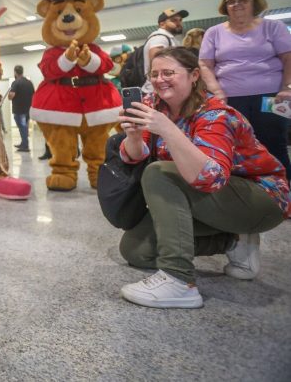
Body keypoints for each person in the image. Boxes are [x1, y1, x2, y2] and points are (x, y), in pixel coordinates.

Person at [117, 47, 289, 309]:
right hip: (210, 197)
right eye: (154, 74)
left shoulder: (216, 114)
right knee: (135, 250)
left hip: (260, 198)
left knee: (159, 172)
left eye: (169, 73)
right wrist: (134, 136)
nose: (159, 79)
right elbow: (133, 157)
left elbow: (212, 178)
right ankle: (235, 241)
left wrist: (167, 128)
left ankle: (179, 281)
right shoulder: (155, 105)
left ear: (194, 75)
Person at [199, 0, 291, 179]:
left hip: (273, 96)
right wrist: (216, 91)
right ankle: (250, 198)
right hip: (230, 98)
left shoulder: (273, 27)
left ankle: (285, 193)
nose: (236, 4)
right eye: (231, 1)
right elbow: (204, 64)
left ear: (254, 2)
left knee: (275, 143)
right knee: (239, 147)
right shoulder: (214, 32)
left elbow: (288, 57)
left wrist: (287, 87)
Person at [140, 8, 188, 92]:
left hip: (163, 87)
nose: (179, 23)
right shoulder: (160, 38)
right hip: (159, 89)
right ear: (162, 24)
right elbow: (157, 64)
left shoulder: (168, 38)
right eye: (174, 20)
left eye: (180, 20)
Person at [7, 65, 35, 151]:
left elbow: (11, 95)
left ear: (15, 72)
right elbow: (34, 95)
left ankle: (25, 146)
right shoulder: (29, 82)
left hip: (19, 110)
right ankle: (23, 143)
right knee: (24, 126)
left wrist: (8, 95)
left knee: (22, 127)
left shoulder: (16, 83)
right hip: (28, 109)